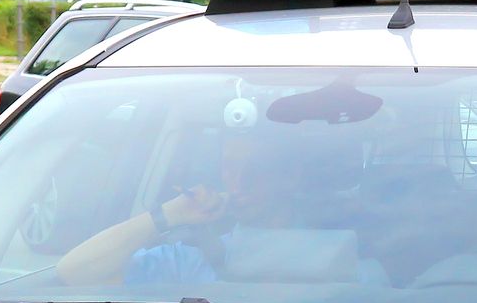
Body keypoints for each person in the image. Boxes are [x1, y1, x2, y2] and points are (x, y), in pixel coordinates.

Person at [55, 97, 384, 289]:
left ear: (290, 177)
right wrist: (167, 215)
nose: (239, 182)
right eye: (230, 167)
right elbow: (73, 272)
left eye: (256, 169)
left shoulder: (346, 260)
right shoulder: (191, 259)